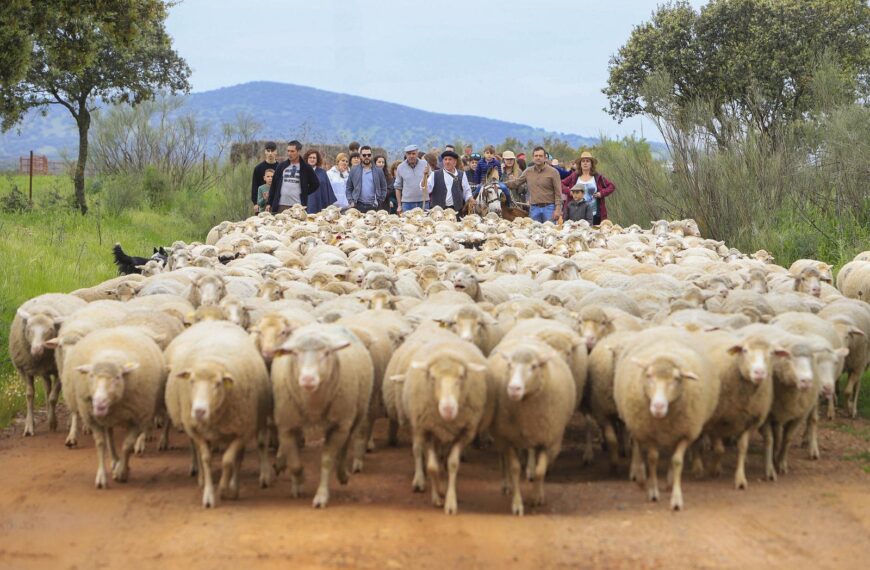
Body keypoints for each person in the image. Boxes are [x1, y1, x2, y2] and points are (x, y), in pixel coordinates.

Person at [503, 146, 562, 223]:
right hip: (534, 208)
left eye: (540, 156)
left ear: (545, 158)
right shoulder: (528, 171)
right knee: (533, 229)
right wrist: (501, 184)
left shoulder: (553, 172)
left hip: (549, 208)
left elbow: (558, 192)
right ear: (533, 158)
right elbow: (516, 183)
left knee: (549, 229)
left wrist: (558, 209)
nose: (538, 158)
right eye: (536, 156)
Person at [560, 150, 616, 224]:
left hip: (594, 213)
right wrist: (570, 192)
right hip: (576, 214)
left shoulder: (597, 177)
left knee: (594, 231)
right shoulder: (574, 176)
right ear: (580, 164)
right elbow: (560, 184)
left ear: (591, 164)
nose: (585, 163)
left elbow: (612, 186)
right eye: (583, 161)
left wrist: (601, 193)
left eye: (587, 161)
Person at [267, 140, 319, 213]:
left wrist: (304, 192)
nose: (289, 153)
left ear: (298, 151)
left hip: (298, 207)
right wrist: (269, 203)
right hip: (281, 205)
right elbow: (274, 185)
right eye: (288, 151)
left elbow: (316, 184)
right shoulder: (281, 166)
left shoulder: (306, 167)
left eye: (292, 151)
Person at [422, 150, 475, 215]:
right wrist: (424, 177)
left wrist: (470, 199)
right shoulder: (435, 174)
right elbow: (426, 189)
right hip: (438, 212)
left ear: (455, 162)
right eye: (445, 159)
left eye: (450, 159)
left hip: (456, 211)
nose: (447, 162)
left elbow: (466, 191)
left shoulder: (461, 174)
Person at [345, 145, 388, 212]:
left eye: (369, 155)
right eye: (364, 155)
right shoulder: (354, 170)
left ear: (372, 155)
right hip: (358, 205)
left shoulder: (378, 171)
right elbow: (348, 188)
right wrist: (351, 201)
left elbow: (384, 187)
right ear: (360, 156)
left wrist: (380, 200)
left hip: (374, 206)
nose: (367, 157)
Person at [394, 144, 429, 213]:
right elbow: (398, 187)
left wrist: (427, 174)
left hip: (423, 201)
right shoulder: (400, 167)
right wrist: (399, 205)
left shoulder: (425, 164)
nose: (411, 156)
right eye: (409, 154)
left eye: (413, 153)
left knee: (425, 220)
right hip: (407, 203)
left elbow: (430, 182)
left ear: (417, 154)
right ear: (406, 155)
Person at [303, 149, 336, 214]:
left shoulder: (322, 173)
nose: (312, 159)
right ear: (307, 159)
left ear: (317, 160)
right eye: (310, 157)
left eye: (314, 158)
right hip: (305, 204)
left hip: (319, 203)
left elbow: (327, 190)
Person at [251, 141, 278, 212]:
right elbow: (255, 186)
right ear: (265, 152)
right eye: (268, 151)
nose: (270, 153)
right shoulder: (258, 168)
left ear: (276, 152)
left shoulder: (280, 168)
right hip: (262, 204)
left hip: (276, 203)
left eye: (272, 151)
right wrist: (255, 203)